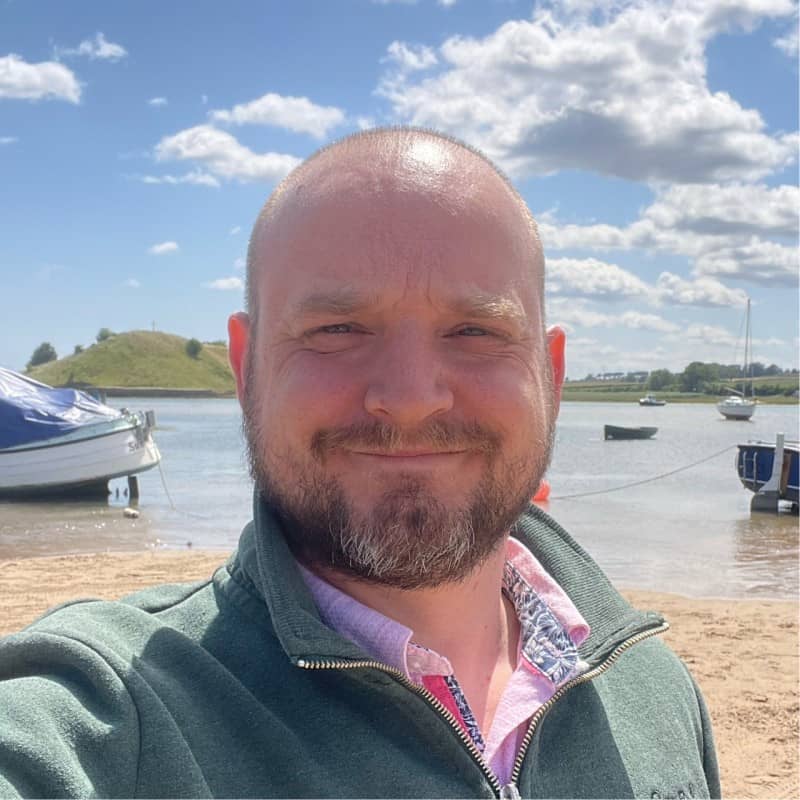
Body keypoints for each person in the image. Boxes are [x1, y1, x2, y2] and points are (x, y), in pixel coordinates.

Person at [0, 128, 720, 799]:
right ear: (247, 370)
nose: (409, 399)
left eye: (476, 331)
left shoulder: (653, 690)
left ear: (551, 376)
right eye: (337, 329)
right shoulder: (114, 711)